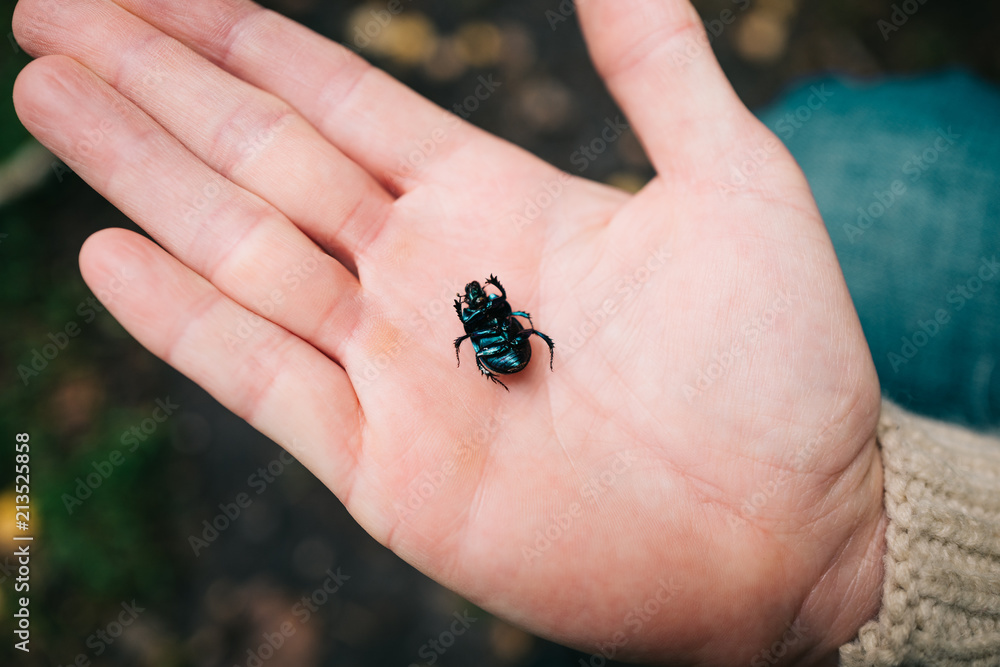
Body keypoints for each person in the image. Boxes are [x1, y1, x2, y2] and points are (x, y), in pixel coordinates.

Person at [11, 0, 999, 664]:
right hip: (513, 357)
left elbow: (497, 324)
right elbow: (505, 322)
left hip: (511, 358)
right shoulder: (496, 320)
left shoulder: (488, 322)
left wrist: (842, 553)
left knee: (842, 159)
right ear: (489, 321)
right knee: (846, 159)